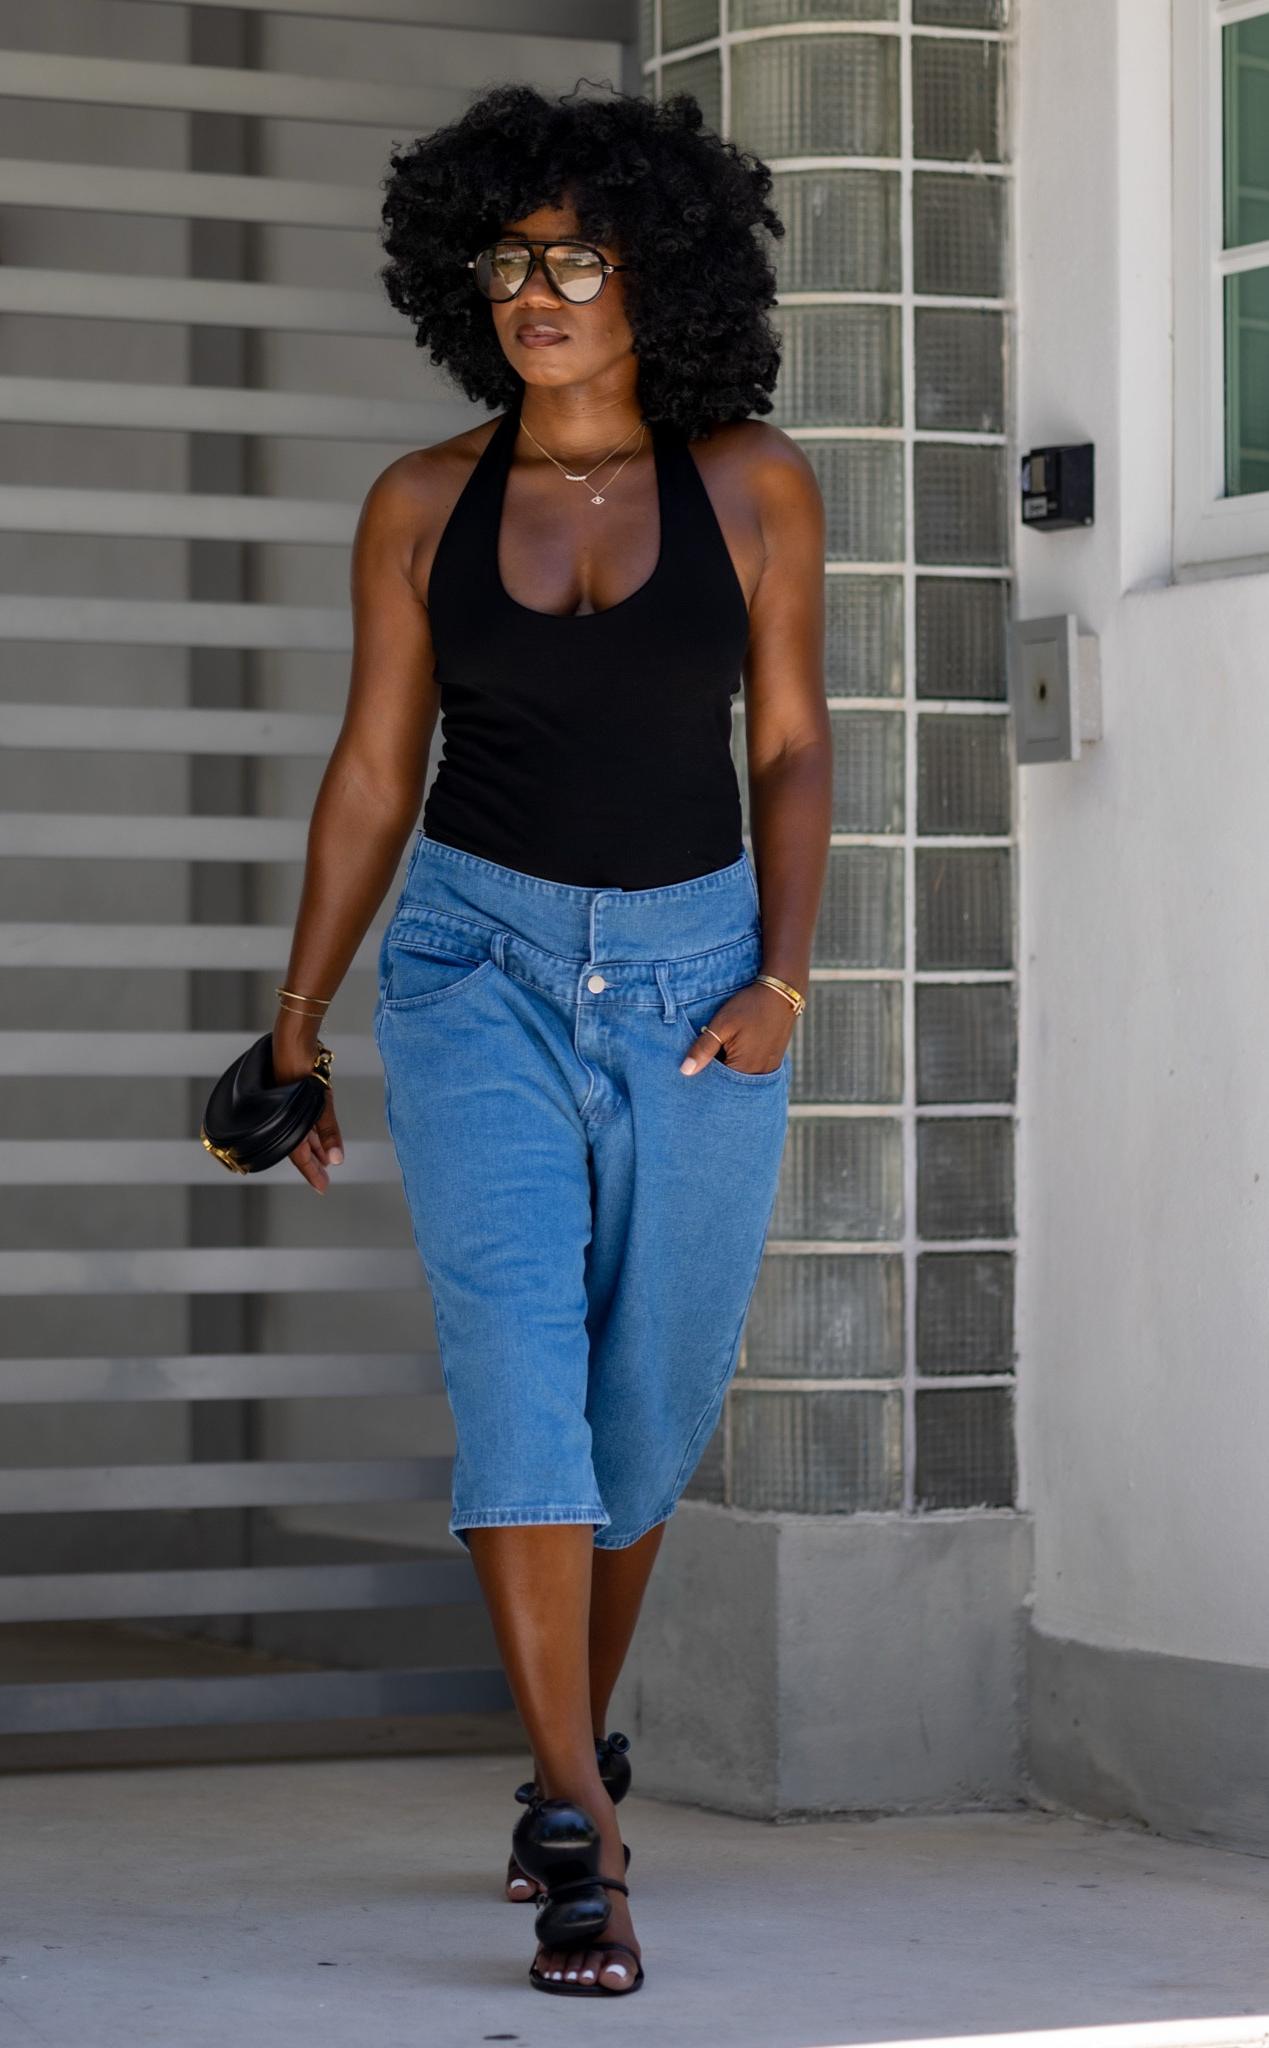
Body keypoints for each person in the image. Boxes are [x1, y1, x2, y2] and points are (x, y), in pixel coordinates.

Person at [269, 84, 830, 1997]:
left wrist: (785, 976)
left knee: (644, 1410)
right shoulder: (420, 503)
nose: (541, 289)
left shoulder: (751, 483)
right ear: (466, 282)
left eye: (578, 255)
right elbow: (370, 770)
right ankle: (578, 1825)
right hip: (471, 965)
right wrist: (296, 1022)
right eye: (509, 260)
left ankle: (567, 1755)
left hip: (697, 982)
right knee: (517, 1380)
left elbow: (792, 745)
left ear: (658, 275)